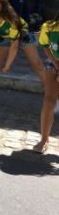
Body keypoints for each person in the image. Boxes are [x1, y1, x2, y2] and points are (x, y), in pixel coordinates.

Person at [37, 14, 59, 153]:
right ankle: (44, 139)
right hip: (54, 63)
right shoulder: (49, 27)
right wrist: (58, 66)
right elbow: (45, 47)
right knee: (49, 101)